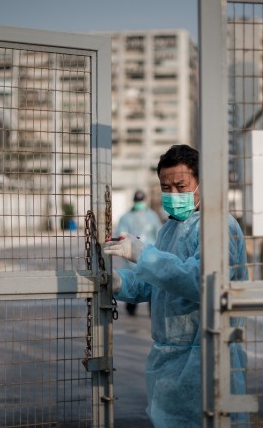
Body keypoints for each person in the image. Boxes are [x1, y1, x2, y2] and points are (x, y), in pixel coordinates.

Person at [104, 144, 249, 427]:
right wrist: (120, 282)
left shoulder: (219, 227)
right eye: (165, 188)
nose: (172, 194)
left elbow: (203, 282)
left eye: (181, 186)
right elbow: (157, 283)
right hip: (168, 358)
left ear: (202, 184)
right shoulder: (169, 229)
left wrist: (144, 255)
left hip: (208, 355)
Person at [114, 189, 162, 315]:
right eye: (137, 201)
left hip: (150, 257)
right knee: (132, 283)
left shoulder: (152, 216)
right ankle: (131, 310)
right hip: (131, 260)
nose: (139, 203)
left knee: (152, 285)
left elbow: (159, 234)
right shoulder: (125, 217)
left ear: (145, 201)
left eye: (140, 201)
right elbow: (121, 235)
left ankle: (152, 312)